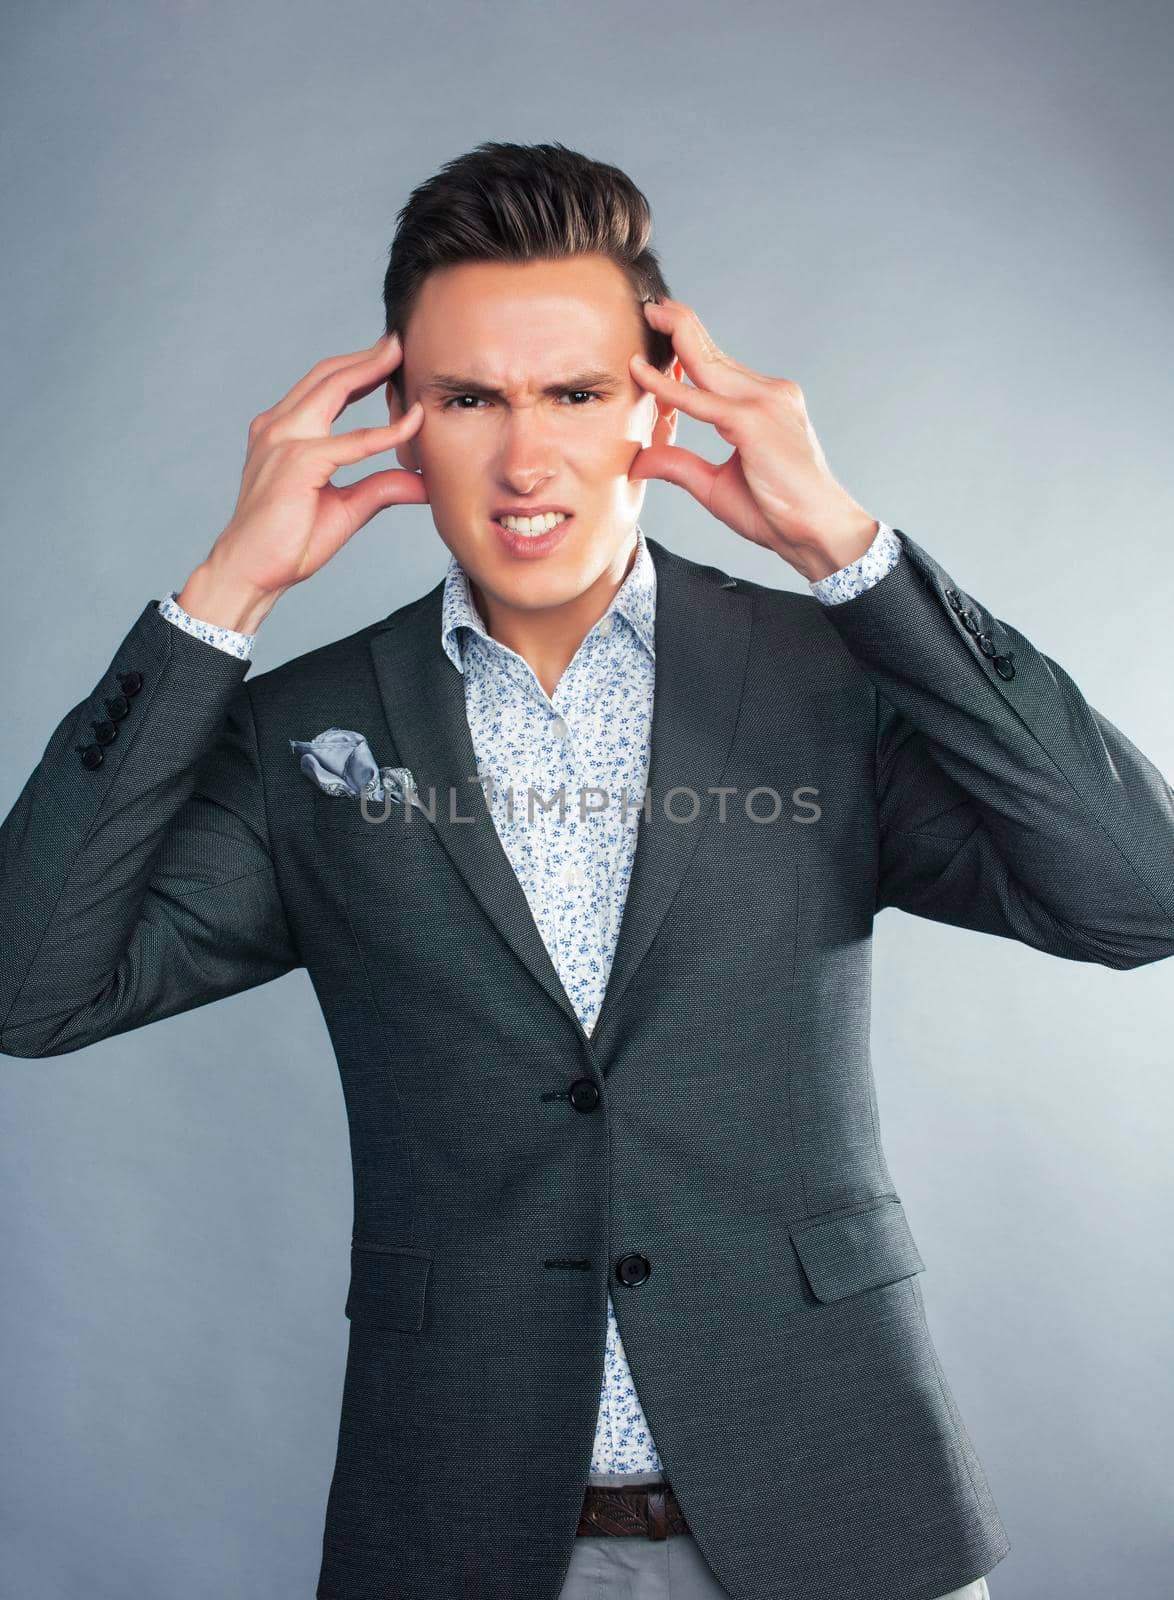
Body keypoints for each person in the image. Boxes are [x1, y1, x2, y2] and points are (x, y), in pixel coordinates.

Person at [3, 140, 1171, 1600]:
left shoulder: (826, 684)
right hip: (461, 1532)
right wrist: (218, 599)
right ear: (396, 420)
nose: (524, 455)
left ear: (655, 403)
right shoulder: (300, 733)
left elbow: (1136, 895)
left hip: (842, 1509)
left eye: (575, 391)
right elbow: (28, 988)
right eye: (468, 398)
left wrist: (847, 549)